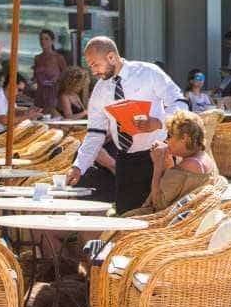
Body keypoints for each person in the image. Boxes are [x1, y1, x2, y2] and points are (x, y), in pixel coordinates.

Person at [67, 37, 182, 214]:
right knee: (125, 216)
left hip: (157, 157)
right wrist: (78, 166)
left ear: (111, 57)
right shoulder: (100, 90)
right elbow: (95, 133)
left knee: (158, 216)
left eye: (96, 65)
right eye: (90, 66)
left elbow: (179, 101)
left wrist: (159, 122)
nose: (94, 71)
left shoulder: (148, 73)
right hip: (125, 161)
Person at [138, 111, 218, 213]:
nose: (166, 141)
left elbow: (158, 203)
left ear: (184, 138)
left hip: (167, 219)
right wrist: (168, 160)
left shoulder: (190, 164)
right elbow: (176, 187)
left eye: (169, 136)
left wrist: (157, 164)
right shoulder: (203, 156)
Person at [31, 29, 66, 111]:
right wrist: (32, 83)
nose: (43, 41)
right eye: (41, 39)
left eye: (46, 39)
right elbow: (35, 77)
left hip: (54, 95)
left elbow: (66, 76)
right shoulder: (37, 58)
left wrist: (56, 80)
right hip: (40, 94)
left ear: (52, 41)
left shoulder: (58, 58)